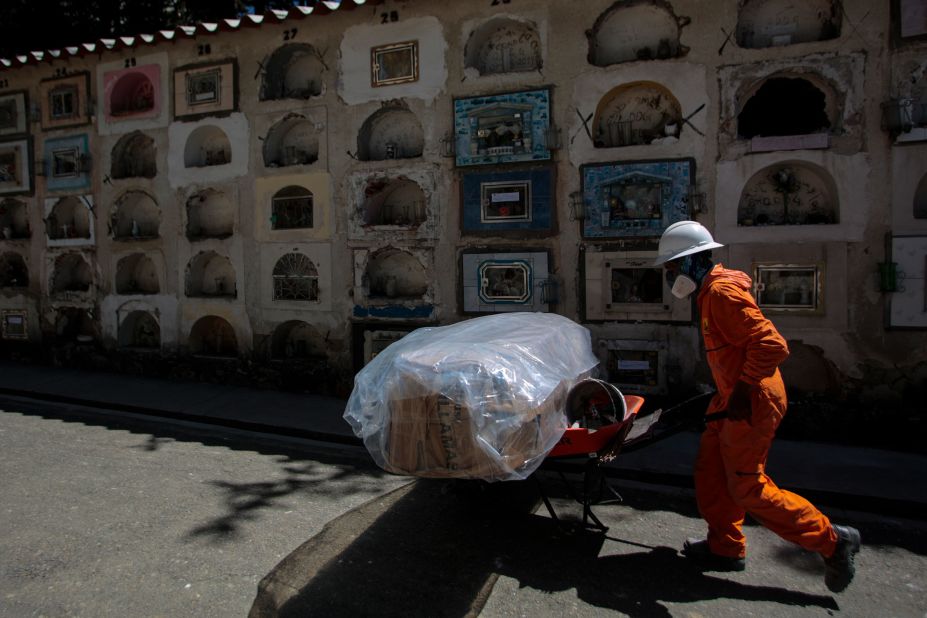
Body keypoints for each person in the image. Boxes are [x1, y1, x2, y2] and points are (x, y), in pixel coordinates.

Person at [654, 220, 861, 593]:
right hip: (733, 395)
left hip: (752, 400)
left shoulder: (720, 295)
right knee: (712, 470)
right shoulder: (708, 295)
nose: (670, 278)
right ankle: (725, 547)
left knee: (748, 487)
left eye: (671, 269)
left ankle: (832, 541)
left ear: (690, 263)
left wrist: (743, 391)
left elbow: (772, 346)